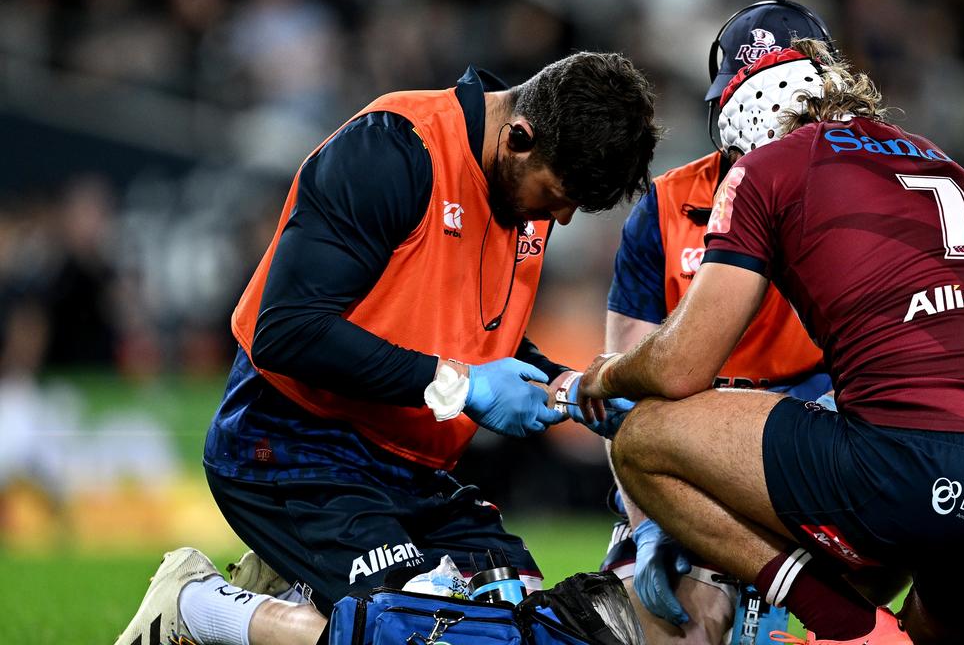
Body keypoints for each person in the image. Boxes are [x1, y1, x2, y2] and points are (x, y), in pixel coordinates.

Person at [579, 41, 964, 645]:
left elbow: (681, 369)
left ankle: (846, 625)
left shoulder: (766, 167)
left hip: (920, 473)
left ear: (740, 128)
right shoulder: (956, 171)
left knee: (642, 437)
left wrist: (605, 374)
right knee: (934, 624)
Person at [113, 51, 659, 645]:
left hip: (411, 470)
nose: (564, 217)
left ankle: (295, 595)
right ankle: (196, 605)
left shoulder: (521, 180)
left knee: (523, 617)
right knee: (432, 632)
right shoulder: (393, 149)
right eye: (558, 196)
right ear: (520, 137)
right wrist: (466, 386)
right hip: (291, 443)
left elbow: (466, 330)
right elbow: (287, 330)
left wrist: (568, 386)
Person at [601, 0, 907, 645]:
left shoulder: (864, 195)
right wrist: (650, 518)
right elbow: (625, 385)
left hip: (816, 439)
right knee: (674, 618)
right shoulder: (663, 208)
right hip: (693, 448)